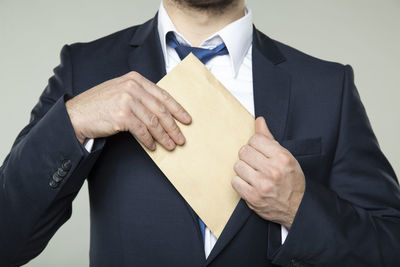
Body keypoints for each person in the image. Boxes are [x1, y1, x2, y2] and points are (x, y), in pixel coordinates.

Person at [1, 0, 399, 266]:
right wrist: (72, 122)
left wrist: (300, 208)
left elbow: (389, 245)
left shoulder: (328, 86)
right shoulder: (85, 67)